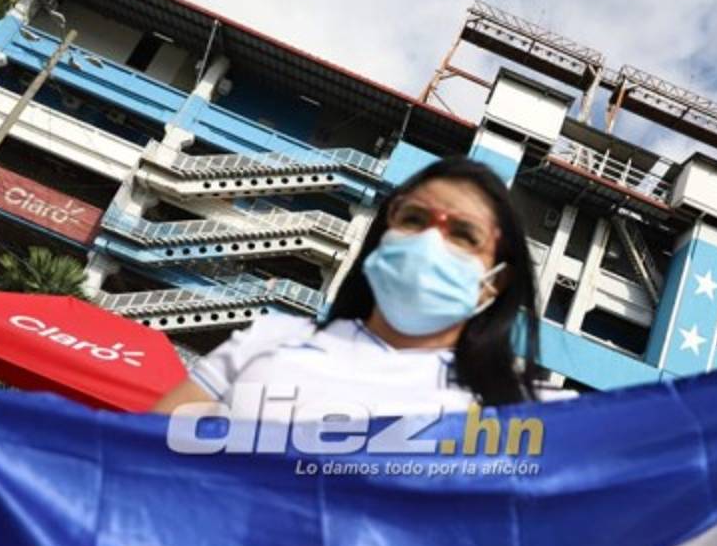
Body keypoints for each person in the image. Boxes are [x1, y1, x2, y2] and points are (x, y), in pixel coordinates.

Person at [151, 158, 546, 416]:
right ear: (383, 233)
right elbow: (136, 462)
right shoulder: (270, 339)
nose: (429, 242)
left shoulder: (520, 410)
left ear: (496, 282)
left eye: (463, 234)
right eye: (412, 218)